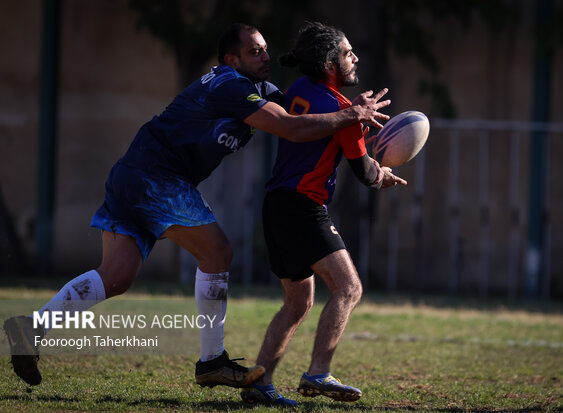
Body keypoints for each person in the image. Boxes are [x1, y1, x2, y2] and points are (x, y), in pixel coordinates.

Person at [3, 23, 391, 389]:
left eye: (266, 50)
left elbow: (305, 112)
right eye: (255, 51)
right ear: (231, 60)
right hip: (158, 174)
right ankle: (211, 362)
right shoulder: (229, 84)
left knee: (116, 277)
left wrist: (348, 115)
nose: (265, 57)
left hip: (134, 173)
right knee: (218, 251)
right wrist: (351, 114)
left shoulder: (261, 90)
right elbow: (290, 127)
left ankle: (32, 328)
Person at [240, 22, 407, 407]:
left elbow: (318, 129)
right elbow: (364, 174)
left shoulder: (300, 90)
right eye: (349, 53)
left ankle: (259, 383)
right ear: (330, 62)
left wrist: (358, 120)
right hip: (303, 207)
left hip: (276, 205)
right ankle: (318, 372)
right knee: (349, 288)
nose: (356, 58)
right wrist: (380, 171)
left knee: (298, 302)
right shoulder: (344, 111)